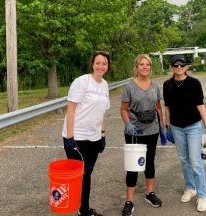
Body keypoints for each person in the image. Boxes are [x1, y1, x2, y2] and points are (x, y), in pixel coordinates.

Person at [62, 51, 111, 216]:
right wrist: (69, 137)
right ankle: (80, 209)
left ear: (107, 66)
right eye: (98, 63)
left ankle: (83, 209)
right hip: (77, 137)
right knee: (79, 175)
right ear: (92, 64)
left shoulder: (104, 85)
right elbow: (71, 109)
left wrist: (103, 135)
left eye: (104, 63)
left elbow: (102, 112)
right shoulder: (82, 82)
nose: (101, 66)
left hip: (94, 137)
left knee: (87, 174)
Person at [163, 54, 206, 212]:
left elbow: (200, 105)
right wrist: (167, 127)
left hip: (193, 126)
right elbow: (167, 107)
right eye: (175, 65)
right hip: (176, 128)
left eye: (181, 65)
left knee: (196, 161)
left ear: (186, 66)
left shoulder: (194, 83)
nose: (178, 68)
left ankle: (202, 196)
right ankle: (190, 188)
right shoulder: (167, 85)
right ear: (172, 67)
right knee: (184, 160)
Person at [120, 54, 164, 216]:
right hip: (134, 132)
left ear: (150, 68)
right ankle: (129, 201)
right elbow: (124, 109)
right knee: (133, 166)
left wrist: (163, 126)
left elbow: (158, 107)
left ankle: (149, 193)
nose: (145, 67)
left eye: (148, 65)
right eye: (142, 64)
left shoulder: (155, 86)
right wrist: (128, 124)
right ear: (136, 67)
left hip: (152, 130)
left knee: (149, 162)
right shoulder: (129, 87)